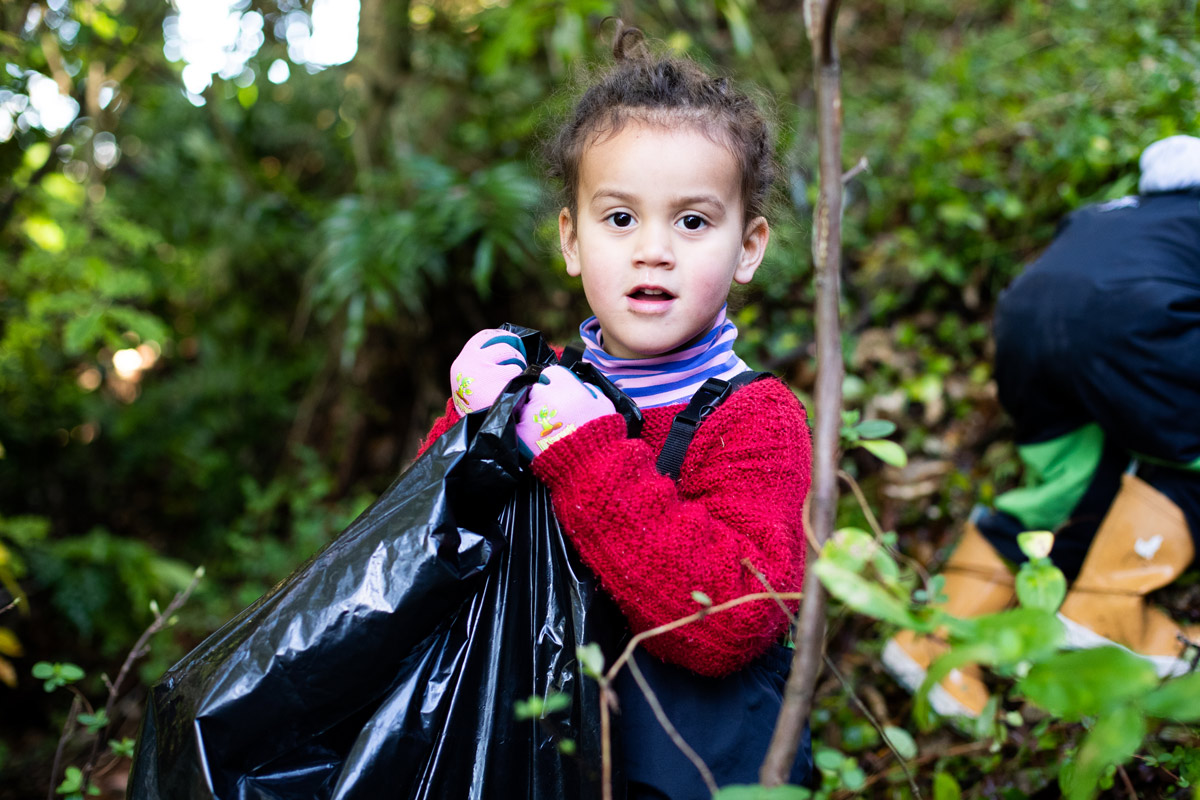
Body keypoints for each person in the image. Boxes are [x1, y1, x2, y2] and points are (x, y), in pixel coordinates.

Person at [419, 25, 815, 795]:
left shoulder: (757, 420)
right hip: (533, 763)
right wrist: (466, 427)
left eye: (693, 221)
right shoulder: (542, 391)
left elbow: (731, 621)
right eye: (620, 218)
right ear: (572, 240)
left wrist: (587, 454)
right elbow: (433, 562)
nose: (653, 250)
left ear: (749, 248)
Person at [884, 134, 1200, 719]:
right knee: (1187, 454)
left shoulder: (1109, 216)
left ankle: (933, 638)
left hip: (1025, 322)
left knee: (1071, 488)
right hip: (1137, 318)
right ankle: (1107, 613)